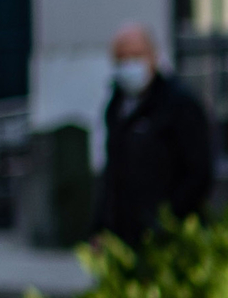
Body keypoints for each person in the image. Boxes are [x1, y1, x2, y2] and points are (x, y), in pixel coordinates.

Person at [91, 23, 213, 246]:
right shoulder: (116, 106)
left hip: (168, 238)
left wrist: (166, 222)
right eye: (122, 59)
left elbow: (199, 174)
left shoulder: (179, 104)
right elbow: (112, 174)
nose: (129, 66)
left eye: (136, 56)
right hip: (125, 237)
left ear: (154, 57)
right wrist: (100, 227)